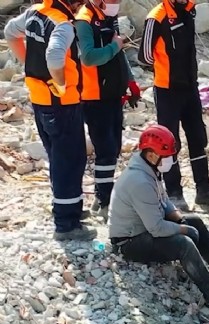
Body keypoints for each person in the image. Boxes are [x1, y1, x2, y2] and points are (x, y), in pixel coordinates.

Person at [108, 125, 209, 321]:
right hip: (128, 242)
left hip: (144, 228)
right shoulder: (139, 181)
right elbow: (156, 228)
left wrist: (180, 219)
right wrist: (183, 230)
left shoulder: (148, 169)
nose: (172, 159)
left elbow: (163, 201)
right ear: (153, 155)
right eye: (168, 155)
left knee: (195, 221)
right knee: (184, 245)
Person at [4, 0, 96, 241]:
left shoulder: (35, 13)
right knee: (69, 160)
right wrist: (61, 82)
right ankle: (66, 224)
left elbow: (10, 32)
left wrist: (30, 65)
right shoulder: (62, 24)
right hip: (61, 103)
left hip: (40, 100)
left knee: (58, 156)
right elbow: (55, 56)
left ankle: (69, 207)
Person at [139, 0, 209, 211]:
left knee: (198, 137)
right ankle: (174, 193)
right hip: (167, 90)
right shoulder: (156, 17)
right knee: (169, 142)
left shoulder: (189, 11)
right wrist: (165, 68)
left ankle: (204, 191)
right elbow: (144, 56)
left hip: (190, 87)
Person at [75, 0, 140, 221]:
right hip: (94, 97)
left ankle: (102, 197)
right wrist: (115, 47)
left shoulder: (107, 18)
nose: (115, 4)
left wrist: (130, 81)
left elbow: (119, 51)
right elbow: (89, 57)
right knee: (105, 149)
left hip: (112, 94)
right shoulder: (84, 21)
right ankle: (103, 201)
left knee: (114, 149)